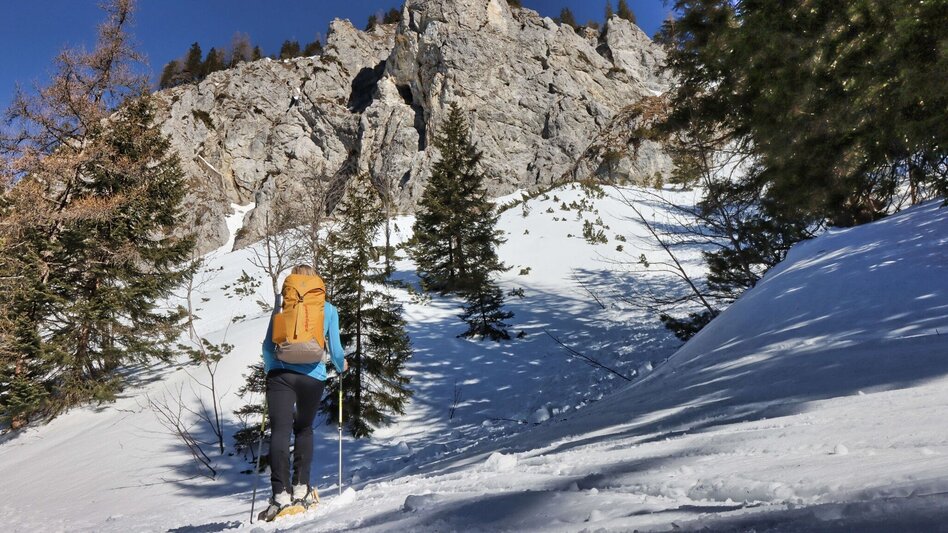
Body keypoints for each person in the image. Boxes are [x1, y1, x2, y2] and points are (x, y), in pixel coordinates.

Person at [259, 264, 346, 521]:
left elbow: (267, 346)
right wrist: (341, 367)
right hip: (313, 377)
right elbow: (336, 350)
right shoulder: (328, 309)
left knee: (280, 432)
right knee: (304, 429)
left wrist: (271, 368)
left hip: (280, 376)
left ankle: (280, 497)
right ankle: (301, 489)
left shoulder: (283, 307)